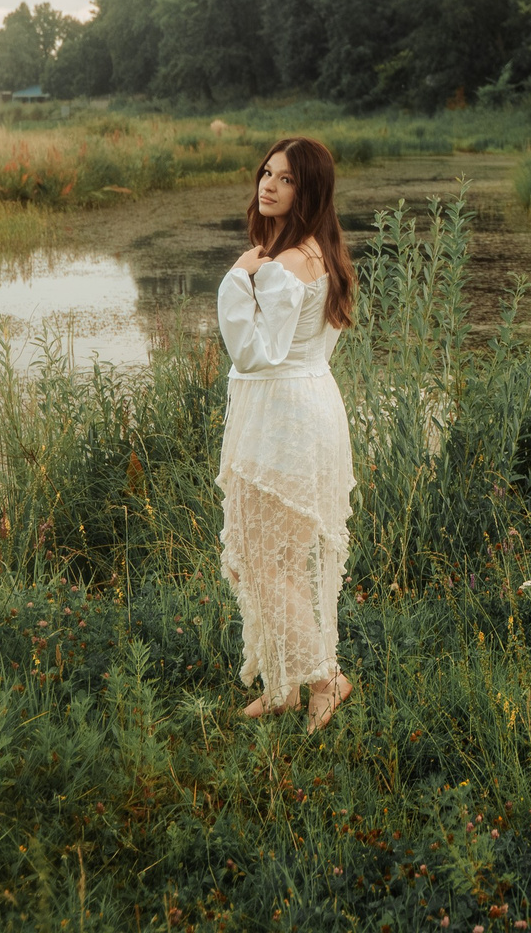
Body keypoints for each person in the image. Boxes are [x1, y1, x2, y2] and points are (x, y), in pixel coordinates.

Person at [216, 135, 360, 728]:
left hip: (283, 415)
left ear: (310, 190)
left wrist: (237, 278)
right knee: (282, 553)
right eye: (266, 173)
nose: (268, 185)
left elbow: (254, 352)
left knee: (261, 558)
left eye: (286, 179)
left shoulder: (282, 266)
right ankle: (283, 683)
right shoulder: (320, 252)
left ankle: (325, 676)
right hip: (311, 404)